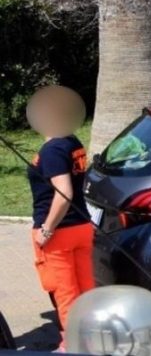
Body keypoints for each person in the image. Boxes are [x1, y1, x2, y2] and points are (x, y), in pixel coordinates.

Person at [24, 86, 94, 349]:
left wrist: (47, 229)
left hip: (59, 232)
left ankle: (73, 345)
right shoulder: (72, 142)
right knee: (86, 288)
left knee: (66, 293)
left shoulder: (53, 150)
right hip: (81, 227)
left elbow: (63, 193)